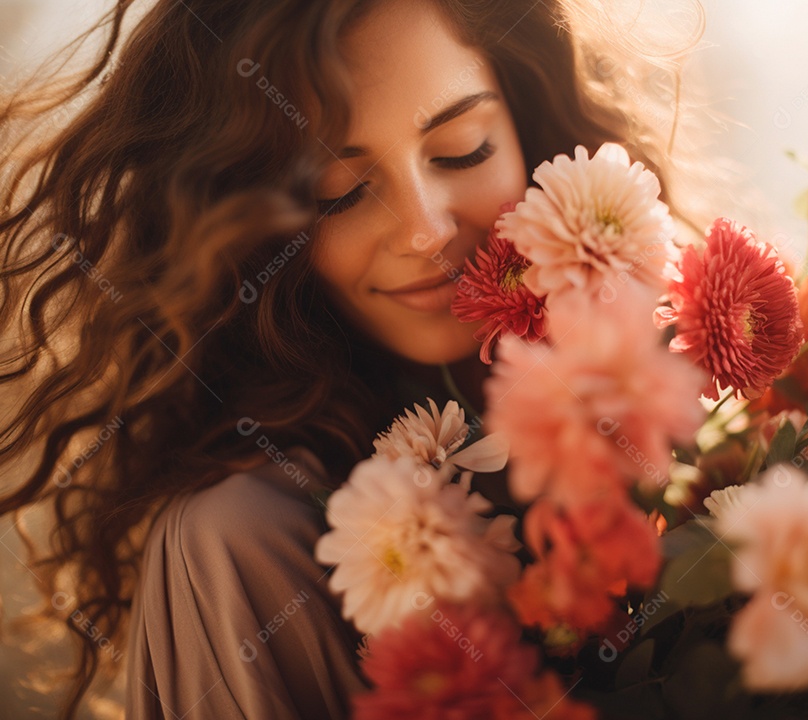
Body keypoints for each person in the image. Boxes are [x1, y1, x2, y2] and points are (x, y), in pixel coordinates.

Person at [0, 0, 707, 717]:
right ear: (249, 228)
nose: (426, 231)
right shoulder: (245, 542)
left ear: (526, 121)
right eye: (337, 191)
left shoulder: (693, 415)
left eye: (463, 148)